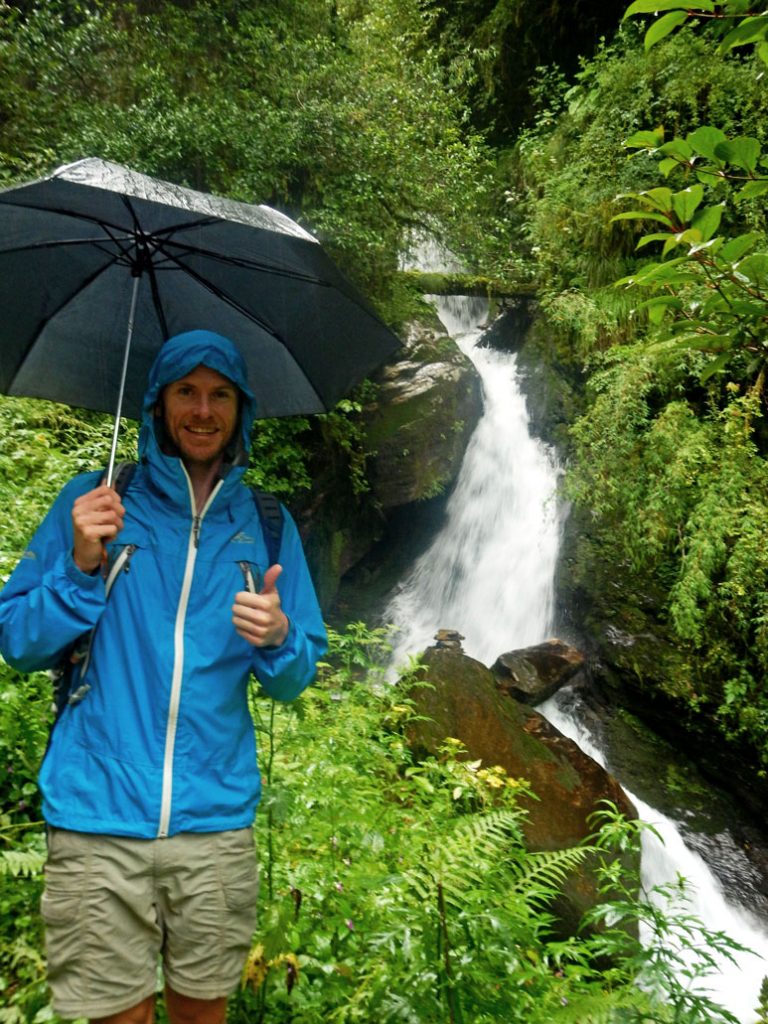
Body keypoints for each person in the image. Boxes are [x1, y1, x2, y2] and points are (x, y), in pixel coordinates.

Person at [0, 330, 328, 1024]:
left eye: (219, 394)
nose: (202, 410)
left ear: (242, 408)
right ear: (157, 404)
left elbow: (297, 675)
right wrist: (80, 565)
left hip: (213, 821)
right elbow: (18, 642)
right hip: (97, 813)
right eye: (186, 391)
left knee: (202, 1013)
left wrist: (278, 638)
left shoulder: (267, 525)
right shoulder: (93, 503)